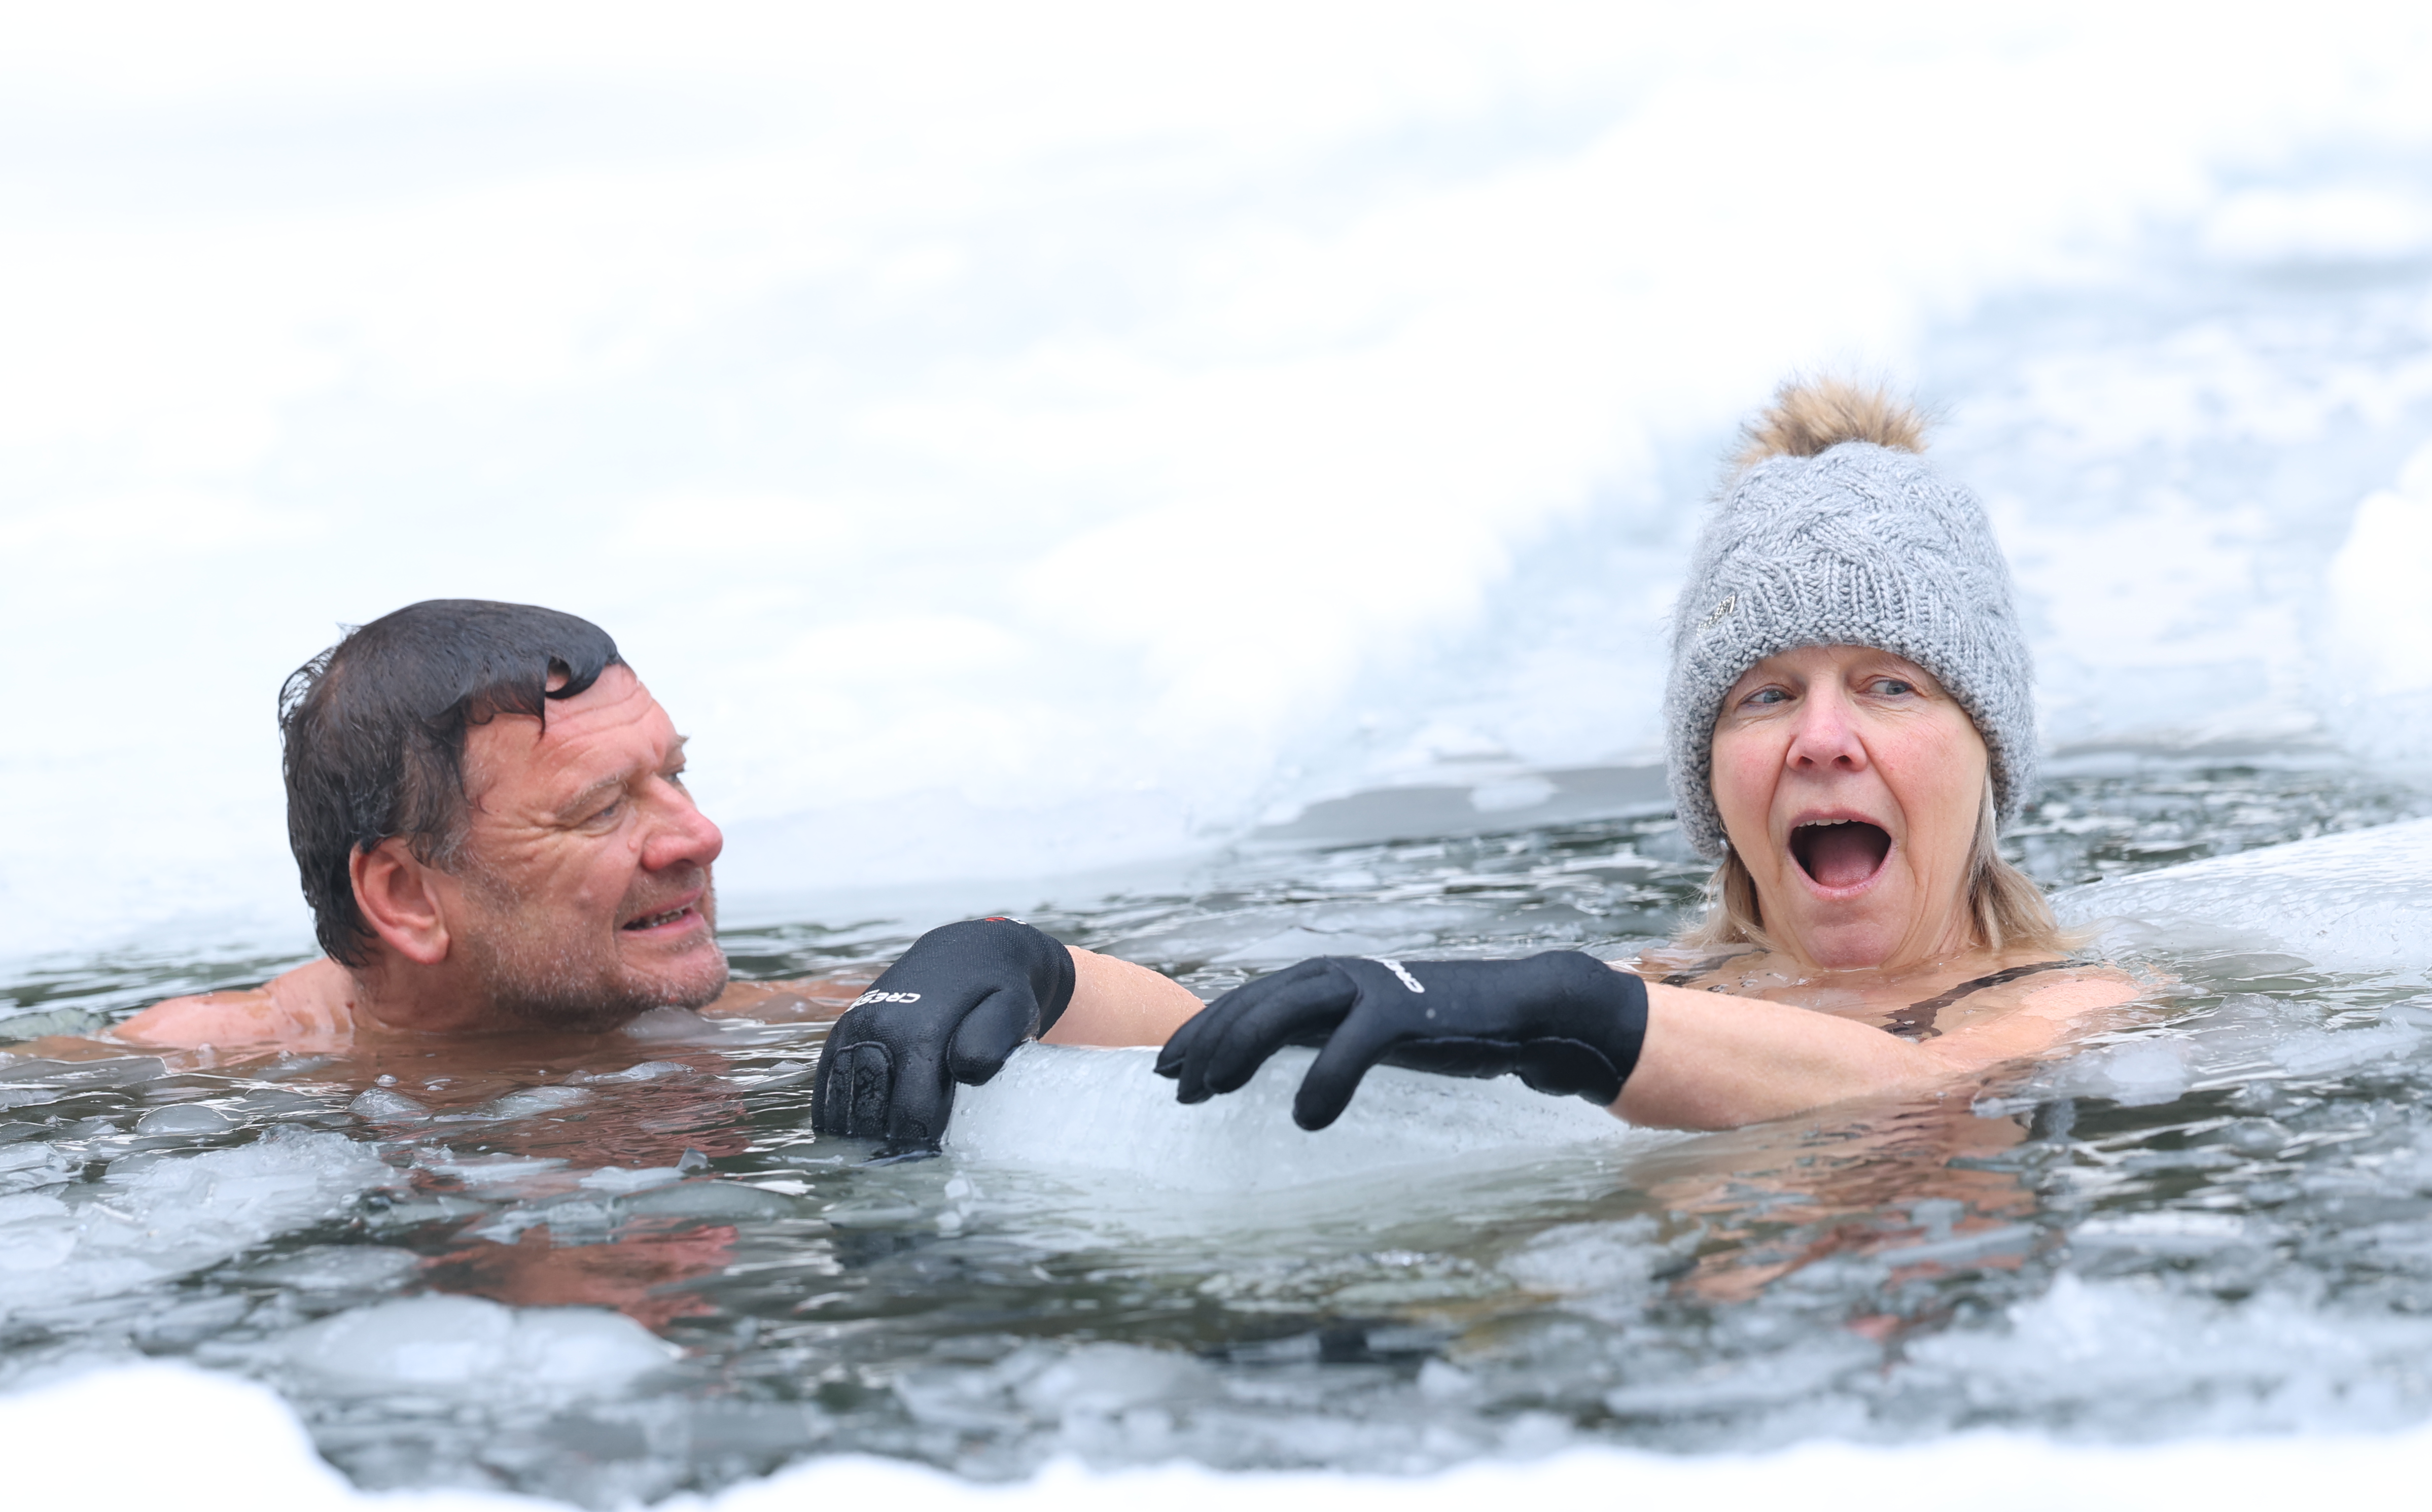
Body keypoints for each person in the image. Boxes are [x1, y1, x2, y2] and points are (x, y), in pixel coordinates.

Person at [1150, 378, 2140, 1135]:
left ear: (1988, 753)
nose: (1821, 739)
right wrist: (1072, 981)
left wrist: (1572, 1014)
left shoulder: (2074, 1001)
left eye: (1889, 686)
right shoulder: (1659, 995)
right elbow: (1226, 1028)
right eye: (1766, 696)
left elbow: (1926, 1084)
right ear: (1708, 777)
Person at [116, 600, 1202, 1143]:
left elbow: (1215, 1046)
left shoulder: (693, 1026)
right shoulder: (200, 1075)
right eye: (601, 807)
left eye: (675, 776)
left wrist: (1031, 968)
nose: (699, 837)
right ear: (405, 893)